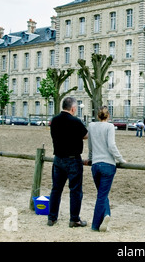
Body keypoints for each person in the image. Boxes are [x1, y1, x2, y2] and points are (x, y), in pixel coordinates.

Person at [48, 97, 88, 227]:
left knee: (56, 189)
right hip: (72, 159)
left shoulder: (54, 120)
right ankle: (74, 219)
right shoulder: (75, 121)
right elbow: (86, 135)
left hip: (58, 158)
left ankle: (52, 217)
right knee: (75, 190)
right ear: (73, 108)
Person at [86, 106, 127, 232]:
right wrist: (121, 159)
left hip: (96, 164)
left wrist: (91, 158)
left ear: (98, 116)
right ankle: (95, 225)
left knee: (101, 194)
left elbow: (90, 146)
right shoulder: (109, 127)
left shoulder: (91, 126)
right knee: (102, 195)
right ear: (108, 116)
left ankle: (106, 215)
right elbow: (111, 146)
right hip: (108, 164)